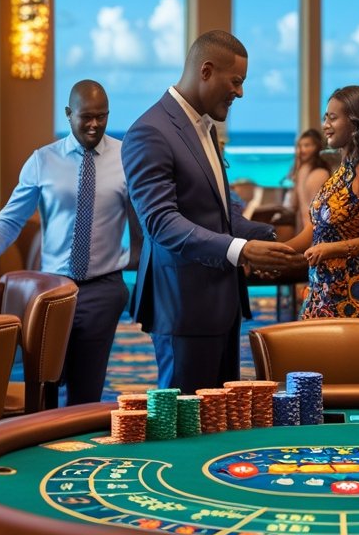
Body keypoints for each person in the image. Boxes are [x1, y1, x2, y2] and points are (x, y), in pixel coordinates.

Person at [122, 30, 298, 392]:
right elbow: (160, 223)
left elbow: (222, 213)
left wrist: (276, 240)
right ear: (206, 71)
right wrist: (241, 250)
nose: (240, 92)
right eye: (236, 81)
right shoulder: (149, 131)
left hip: (221, 305)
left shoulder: (205, 128)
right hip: (182, 307)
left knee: (218, 419)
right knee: (186, 426)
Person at [0, 80, 129, 405]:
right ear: (69, 114)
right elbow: (12, 217)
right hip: (53, 290)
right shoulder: (43, 160)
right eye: (86, 117)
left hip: (103, 288)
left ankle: (81, 449)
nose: (94, 124)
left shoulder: (127, 157)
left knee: (86, 388)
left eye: (102, 116)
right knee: (45, 383)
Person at [282, 86, 359, 319]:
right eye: (325, 118)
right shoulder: (342, 171)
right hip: (320, 291)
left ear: (355, 124)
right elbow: (316, 230)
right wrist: (281, 252)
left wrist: (334, 249)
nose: (325, 125)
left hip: (352, 296)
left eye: (332, 118)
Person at [286, 128, 332, 234]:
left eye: (307, 145)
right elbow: (294, 204)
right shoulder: (302, 170)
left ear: (317, 147)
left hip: (312, 230)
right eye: (299, 146)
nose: (302, 150)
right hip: (303, 227)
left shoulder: (320, 173)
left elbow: (314, 212)